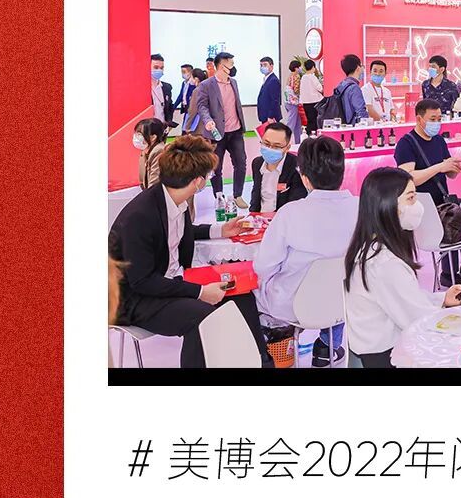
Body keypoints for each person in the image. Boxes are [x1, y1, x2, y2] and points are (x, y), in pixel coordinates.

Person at [108, 135, 270, 368]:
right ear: (198, 181)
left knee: (241, 295)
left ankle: (261, 362)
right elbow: (142, 281)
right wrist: (200, 292)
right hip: (134, 299)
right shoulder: (140, 216)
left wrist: (220, 230)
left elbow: (180, 232)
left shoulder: (174, 198)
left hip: (169, 283)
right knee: (202, 318)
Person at [342, 168, 461, 368]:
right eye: (411, 198)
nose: (417, 206)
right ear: (388, 205)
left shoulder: (371, 248)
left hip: (375, 351)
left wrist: (442, 299)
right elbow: (419, 319)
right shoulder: (384, 263)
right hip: (386, 356)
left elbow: (406, 299)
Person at [253, 136, 355, 366]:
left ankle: (269, 354)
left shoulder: (290, 213)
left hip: (294, 306)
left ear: (305, 178)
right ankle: (327, 347)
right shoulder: (362, 208)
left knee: (253, 291)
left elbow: (264, 266)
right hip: (346, 303)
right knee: (340, 281)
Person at [394, 99, 461, 286]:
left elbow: (448, 172)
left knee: (458, 215)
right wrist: (439, 167)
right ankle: (448, 274)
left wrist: (452, 168)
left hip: (443, 204)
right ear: (419, 119)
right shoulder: (406, 144)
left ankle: (452, 273)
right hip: (419, 207)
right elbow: (408, 177)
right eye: (432, 119)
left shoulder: (439, 141)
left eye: (439, 118)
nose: (437, 123)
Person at [194, 51, 249, 208]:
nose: (232, 67)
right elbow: (202, 106)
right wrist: (208, 120)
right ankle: (219, 196)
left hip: (236, 130)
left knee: (241, 162)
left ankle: (238, 195)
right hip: (216, 133)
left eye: (232, 64)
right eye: (229, 64)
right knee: (216, 166)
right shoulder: (207, 85)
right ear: (220, 66)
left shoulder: (234, 83)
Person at [249, 122, 307, 213]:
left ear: (287, 148)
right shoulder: (257, 163)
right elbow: (255, 194)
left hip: (283, 217)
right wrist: (252, 215)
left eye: (276, 146)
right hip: (259, 217)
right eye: (266, 144)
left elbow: (295, 203)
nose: (270, 149)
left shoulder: (297, 167)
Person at [334, 54, 370, 125]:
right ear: (358, 68)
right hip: (353, 126)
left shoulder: (342, 84)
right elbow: (361, 112)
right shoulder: (354, 88)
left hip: (343, 125)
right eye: (362, 65)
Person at [133, 118, 168, 191]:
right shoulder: (145, 151)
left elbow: (154, 183)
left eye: (140, 134)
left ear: (153, 137)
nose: (136, 137)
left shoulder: (159, 151)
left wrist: (146, 195)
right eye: (136, 133)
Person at [256, 56, 283, 125]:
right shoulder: (267, 79)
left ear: (271, 66)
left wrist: (271, 116)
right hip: (265, 115)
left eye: (265, 65)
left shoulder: (273, 80)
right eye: (261, 65)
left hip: (270, 117)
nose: (262, 67)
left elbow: (275, 100)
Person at [299, 59, 324, 132]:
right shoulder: (312, 77)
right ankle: (314, 135)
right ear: (313, 67)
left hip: (305, 102)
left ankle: (309, 134)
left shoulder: (303, 77)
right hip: (314, 102)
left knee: (309, 120)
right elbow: (320, 88)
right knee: (315, 121)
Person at [149, 53, 174, 125]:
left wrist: (169, 122)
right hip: (148, 127)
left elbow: (169, 107)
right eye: (156, 67)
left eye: (161, 68)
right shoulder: (142, 88)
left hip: (162, 127)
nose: (159, 70)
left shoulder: (167, 87)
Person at [181, 69, 207, 134]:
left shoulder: (197, 91)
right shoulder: (208, 89)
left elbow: (193, 110)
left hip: (198, 126)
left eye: (191, 77)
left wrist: (187, 126)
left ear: (196, 79)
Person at [283, 60, 303, 144]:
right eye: (299, 67)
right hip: (293, 102)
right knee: (291, 123)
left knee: (297, 123)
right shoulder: (296, 76)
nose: (301, 68)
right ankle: (284, 141)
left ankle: (298, 142)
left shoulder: (290, 76)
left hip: (288, 101)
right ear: (296, 68)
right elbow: (296, 89)